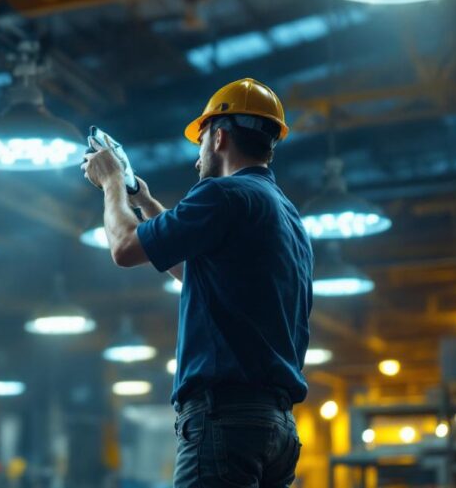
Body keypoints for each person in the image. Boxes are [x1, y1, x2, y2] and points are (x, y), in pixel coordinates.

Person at [81, 78, 313, 488]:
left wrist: (112, 183)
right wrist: (144, 201)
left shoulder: (223, 194)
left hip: (225, 420)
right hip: (275, 429)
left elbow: (124, 247)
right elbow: (197, 271)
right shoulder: (284, 215)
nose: (196, 158)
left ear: (219, 136)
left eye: (201, 141)